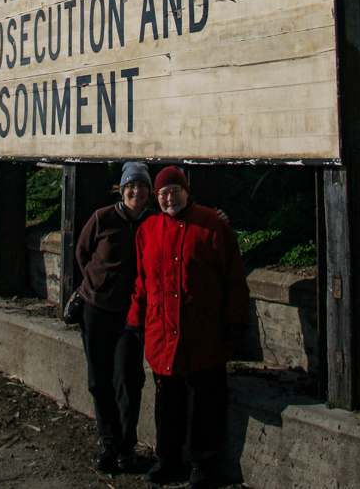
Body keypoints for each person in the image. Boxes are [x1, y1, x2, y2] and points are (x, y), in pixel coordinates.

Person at [127, 166, 249, 489]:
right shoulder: (147, 231)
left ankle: (203, 464)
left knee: (206, 401)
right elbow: (142, 282)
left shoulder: (212, 224)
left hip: (204, 334)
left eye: (174, 191)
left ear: (186, 190)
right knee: (168, 403)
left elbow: (234, 278)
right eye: (163, 193)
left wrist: (235, 320)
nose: (169, 198)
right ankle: (169, 460)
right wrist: (135, 321)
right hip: (162, 335)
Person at [75, 161, 153, 474]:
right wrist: (97, 287)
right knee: (99, 379)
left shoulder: (153, 222)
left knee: (128, 379)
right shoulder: (103, 217)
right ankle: (109, 443)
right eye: (131, 186)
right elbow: (82, 253)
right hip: (95, 310)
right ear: (122, 189)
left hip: (131, 315)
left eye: (142, 185)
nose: (137, 191)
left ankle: (127, 445)